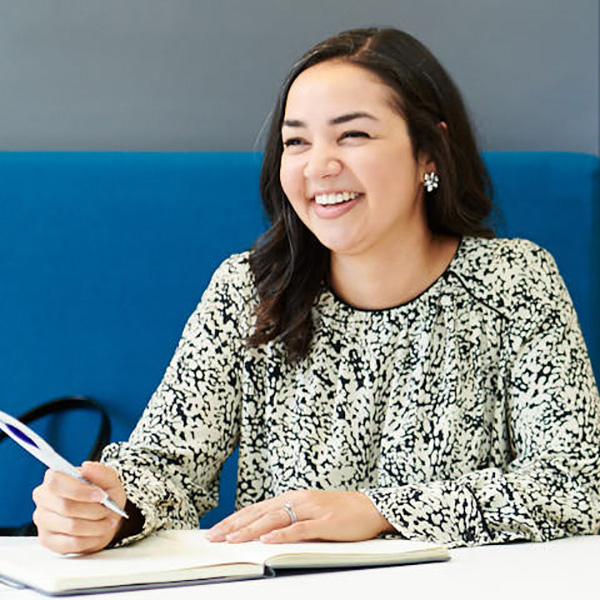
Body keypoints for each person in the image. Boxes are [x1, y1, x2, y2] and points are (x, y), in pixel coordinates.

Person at [32, 27, 600, 555]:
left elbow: (578, 483)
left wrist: (381, 511)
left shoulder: (515, 281)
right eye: (296, 142)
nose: (319, 166)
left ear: (430, 152)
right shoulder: (248, 290)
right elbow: (166, 466)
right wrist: (110, 506)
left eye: (353, 135)